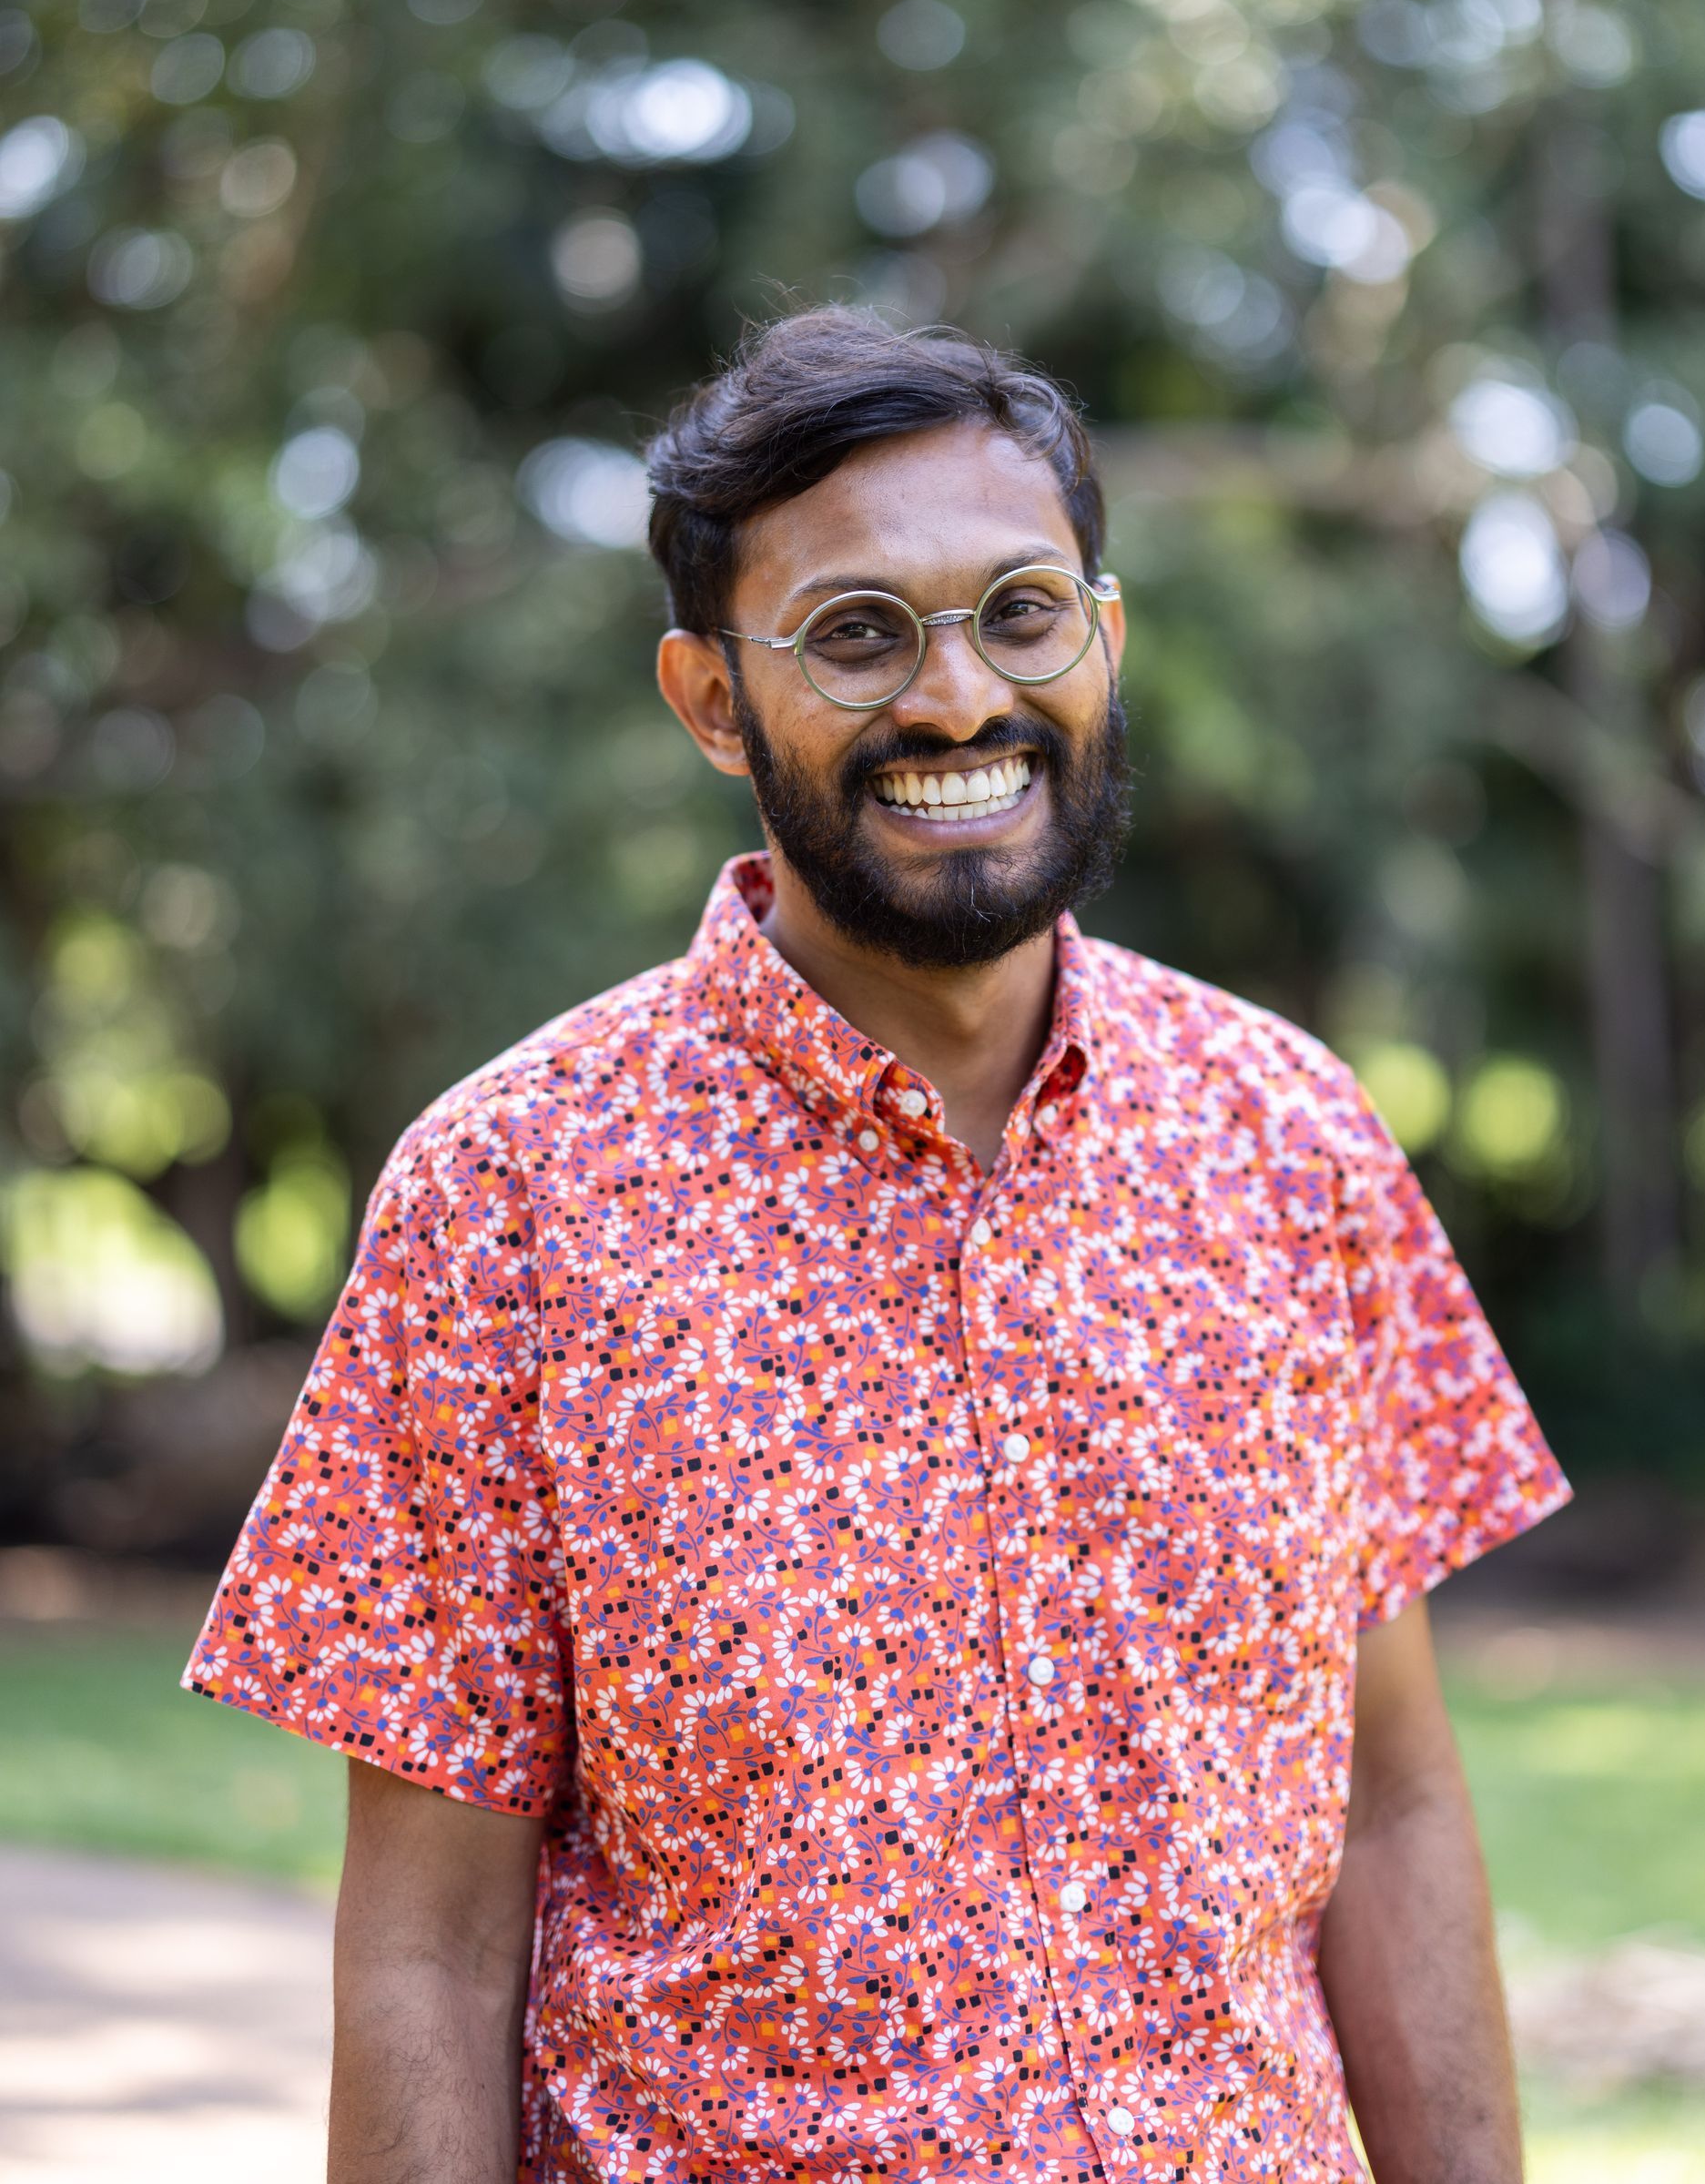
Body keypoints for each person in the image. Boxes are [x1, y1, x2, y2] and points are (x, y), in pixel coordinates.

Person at [187, 307, 1569, 2184]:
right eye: (856, 634)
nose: (953, 700)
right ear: (707, 702)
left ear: (1104, 635)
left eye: (1020, 610)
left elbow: (1391, 1805)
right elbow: (431, 1942)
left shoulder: (1290, 1135)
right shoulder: (509, 1197)